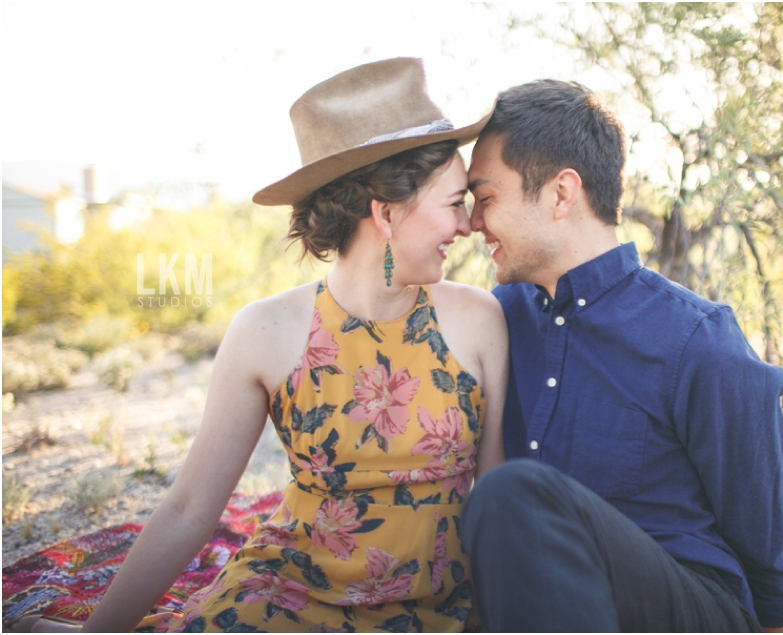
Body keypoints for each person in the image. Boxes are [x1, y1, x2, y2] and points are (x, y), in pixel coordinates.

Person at [17, 58, 507, 633]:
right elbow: (190, 507)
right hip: (288, 598)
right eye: (454, 203)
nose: (469, 225)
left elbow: (496, 501)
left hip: (438, 610)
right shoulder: (266, 332)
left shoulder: (478, 320)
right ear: (387, 212)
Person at [462, 79, 783, 632]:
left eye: (484, 199)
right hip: (543, 602)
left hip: (688, 606)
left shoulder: (698, 340)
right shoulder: (496, 320)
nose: (471, 223)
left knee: (512, 493)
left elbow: (768, 560)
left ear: (560, 193)